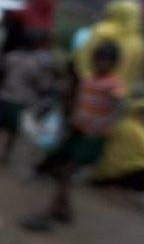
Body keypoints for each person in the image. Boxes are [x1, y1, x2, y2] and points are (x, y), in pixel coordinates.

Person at [23, 41, 127, 232]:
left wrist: (104, 123)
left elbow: (118, 106)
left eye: (106, 61)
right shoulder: (88, 80)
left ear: (113, 64)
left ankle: (50, 212)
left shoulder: (113, 84)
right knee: (63, 171)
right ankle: (64, 209)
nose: (101, 64)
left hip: (92, 137)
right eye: (98, 60)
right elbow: (78, 101)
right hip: (77, 131)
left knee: (68, 171)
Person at [0, 31, 56, 162]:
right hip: (18, 101)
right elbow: (42, 84)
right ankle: (3, 157)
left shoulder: (11, 56)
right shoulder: (35, 63)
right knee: (11, 132)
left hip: (5, 96)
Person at [74, 0, 143, 90]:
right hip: (121, 93)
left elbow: (82, 57)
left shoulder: (101, 31)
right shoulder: (136, 42)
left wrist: (88, 80)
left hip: (93, 87)